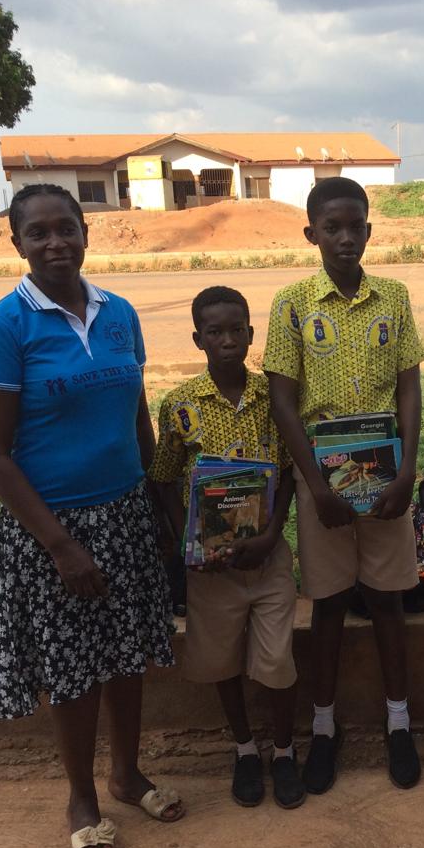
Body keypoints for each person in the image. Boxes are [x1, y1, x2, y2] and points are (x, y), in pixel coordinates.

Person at [0, 184, 182, 848]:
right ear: (17, 243)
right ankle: (81, 799)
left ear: (85, 232)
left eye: (65, 228)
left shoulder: (120, 313)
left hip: (125, 513)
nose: (55, 243)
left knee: (128, 655)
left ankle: (127, 775)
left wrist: (160, 505)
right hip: (51, 528)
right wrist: (60, 546)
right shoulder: (8, 325)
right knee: (73, 670)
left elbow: (138, 415)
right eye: (38, 233)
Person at [263, 177, 422, 794]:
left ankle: (399, 722)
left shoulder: (394, 298)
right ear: (312, 234)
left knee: (386, 599)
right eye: (332, 228)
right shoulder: (293, 303)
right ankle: (324, 729)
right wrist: (317, 486)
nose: (346, 238)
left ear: (369, 231)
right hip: (322, 480)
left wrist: (406, 471)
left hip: (385, 475)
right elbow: (283, 401)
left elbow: (408, 386)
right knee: (328, 603)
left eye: (356, 226)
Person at [149, 286, 303, 810]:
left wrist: (273, 533)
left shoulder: (273, 398)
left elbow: (289, 470)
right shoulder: (180, 405)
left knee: (277, 661)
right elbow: (164, 476)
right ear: (198, 339)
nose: (228, 340)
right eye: (215, 332)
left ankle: (284, 751)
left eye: (237, 329)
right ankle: (245, 750)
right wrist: (187, 540)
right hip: (211, 566)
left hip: (267, 555)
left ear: (251, 334)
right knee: (221, 661)